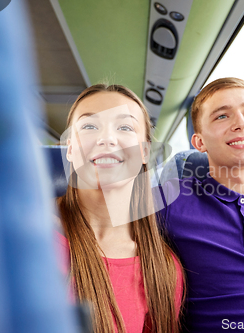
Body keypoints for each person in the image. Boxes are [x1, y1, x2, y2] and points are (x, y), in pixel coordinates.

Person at [158, 78, 244, 332]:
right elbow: (91, 210)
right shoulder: (169, 200)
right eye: (222, 116)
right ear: (199, 143)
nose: (241, 123)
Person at [55, 84, 184, 333]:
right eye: (89, 126)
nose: (106, 138)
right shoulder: (27, 233)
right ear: (70, 148)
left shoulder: (162, 269)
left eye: (124, 127)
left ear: (145, 152)